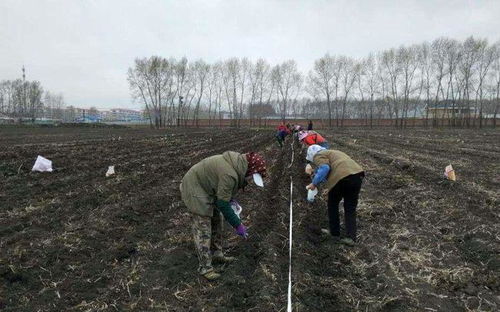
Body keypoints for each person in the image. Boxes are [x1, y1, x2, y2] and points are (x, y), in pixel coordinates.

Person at [180, 151, 267, 280]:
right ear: (250, 169)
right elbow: (223, 204)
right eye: (252, 176)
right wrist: (238, 225)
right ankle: (205, 268)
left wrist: (229, 199)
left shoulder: (237, 165)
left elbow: (222, 193)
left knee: (217, 220)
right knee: (203, 229)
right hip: (194, 188)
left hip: (207, 188)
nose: (250, 179)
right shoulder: (230, 174)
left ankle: (217, 254)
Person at [305, 145, 364, 246]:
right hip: (357, 175)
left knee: (332, 204)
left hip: (342, 178)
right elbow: (333, 170)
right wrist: (330, 187)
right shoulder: (333, 152)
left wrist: (313, 184)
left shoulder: (318, 155)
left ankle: (334, 233)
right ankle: (351, 238)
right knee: (350, 207)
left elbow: (325, 168)